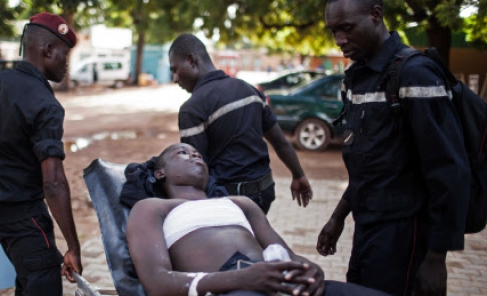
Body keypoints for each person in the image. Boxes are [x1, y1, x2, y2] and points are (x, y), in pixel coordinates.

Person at [317, 1, 470, 296]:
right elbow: (371, 163)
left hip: (405, 233)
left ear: (376, 15)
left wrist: (437, 259)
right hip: (368, 228)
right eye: (333, 31)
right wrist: (338, 217)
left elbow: (449, 170)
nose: (339, 40)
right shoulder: (356, 77)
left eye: (346, 28)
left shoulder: (415, 74)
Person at [126, 143, 391, 296]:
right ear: (160, 173)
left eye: (198, 154)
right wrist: (243, 279)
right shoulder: (152, 208)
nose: (195, 155)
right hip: (226, 288)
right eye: (182, 153)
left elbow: (285, 254)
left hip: (275, 279)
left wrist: (311, 269)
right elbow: (157, 282)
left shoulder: (238, 203)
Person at [0, 12, 82, 296]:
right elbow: (53, 184)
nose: (66, 63)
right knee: (44, 282)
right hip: (24, 217)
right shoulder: (46, 105)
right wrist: (73, 247)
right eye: (64, 54)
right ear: (48, 50)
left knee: (27, 278)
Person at [169, 33, 312, 214]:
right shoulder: (249, 89)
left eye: (175, 70)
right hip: (264, 192)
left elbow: (196, 170)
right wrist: (298, 175)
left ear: (191, 60)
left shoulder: (192, 108)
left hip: (228, 201)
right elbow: (279, 140)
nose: (174, 78)